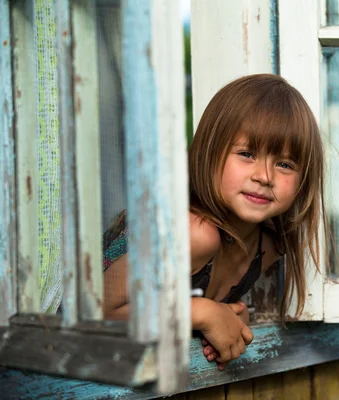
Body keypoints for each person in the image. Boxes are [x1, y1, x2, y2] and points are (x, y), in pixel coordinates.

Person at [102, 74, 327, 370]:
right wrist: (200, 313)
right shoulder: (193, 233)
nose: (265, 176)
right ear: (210, 153)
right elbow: (94, 312)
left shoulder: (268, 246)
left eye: (284, 164)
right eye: (247, 154)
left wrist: (230, 318)